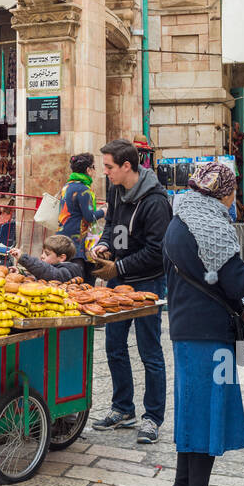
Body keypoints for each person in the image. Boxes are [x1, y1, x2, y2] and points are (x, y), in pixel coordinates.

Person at [162, 161, 244, 486]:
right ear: (226, 192)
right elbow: (235, 283)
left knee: (192, 409)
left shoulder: (178, 218)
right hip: (208, 331)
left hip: (185, 327)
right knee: (205, 415)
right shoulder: (211, 224)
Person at [90, 138, 172, 445]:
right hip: (118, 279)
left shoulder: (156, 202)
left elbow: (156, 251)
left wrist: (118, 269)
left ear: (127, 166)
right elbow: (111, 224)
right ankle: (123, 408)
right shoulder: (115, 189)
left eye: (109, 167)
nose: (105, 172)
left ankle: (152, 418)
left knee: (150, 351)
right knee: (114, 345)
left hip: (148, 282)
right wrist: (104, 245)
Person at [58, 153, 104, 258]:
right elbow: (89, 217)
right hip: (76, 239)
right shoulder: (83, 189)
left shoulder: (68, 185)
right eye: (94, 167)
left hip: (64, 235)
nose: (95, 171)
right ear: (88, 170)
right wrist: (104, 211)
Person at [9, 234, 86, 283]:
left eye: (47, 254)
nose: (42, 256)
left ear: (61, 257)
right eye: (42, 252)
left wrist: (24, 258)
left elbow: (50, 274)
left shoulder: (67, 271)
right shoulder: (52, 269)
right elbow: (40, 278)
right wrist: (21, 274)